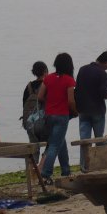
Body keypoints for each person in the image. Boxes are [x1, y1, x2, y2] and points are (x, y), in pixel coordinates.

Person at [37, 53, 77, 183]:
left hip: (49, 115)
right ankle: (46, 174)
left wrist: (50, 102)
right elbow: (71, 101)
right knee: (54, 145)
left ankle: (66, 170)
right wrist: (75, 112)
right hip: (62, 115)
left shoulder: (48, 78)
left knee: (60, 141)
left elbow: (40, 97)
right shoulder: (69, 80)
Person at [75, 51, 107, 169]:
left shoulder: (82, 69)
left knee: (84, 141)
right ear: (106, 63)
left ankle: (84, 166)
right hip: (97, 110)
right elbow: (102, 92)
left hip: (82, 110)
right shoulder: (102, 74)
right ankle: (102, 164)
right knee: (99, 138)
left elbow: (77, 89)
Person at [21, 61, 48, 160]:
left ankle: (33, 169)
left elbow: (24, 105)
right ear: (45, 71)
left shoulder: (28, 87)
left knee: (33, 148)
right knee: (53, 144)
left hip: (29, 123)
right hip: (44, 122)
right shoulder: (47, 85)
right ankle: (43, 165)